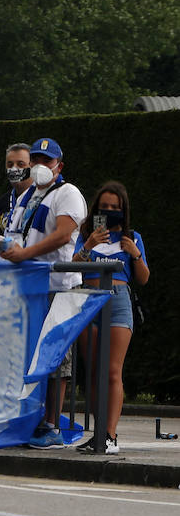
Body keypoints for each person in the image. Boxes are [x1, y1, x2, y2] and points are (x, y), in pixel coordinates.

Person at [0, 137, 87, 449]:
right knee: (28, 354)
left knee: (56, 357)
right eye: (37, 160)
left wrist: (26, 256)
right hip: (31, 287)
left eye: (47, 161)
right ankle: (31, 417)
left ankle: (53, 424)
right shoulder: (29, 196)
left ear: (59, 166)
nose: (41, 166)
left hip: (58, 286)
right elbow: (14, 238)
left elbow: (63, 235)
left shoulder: (67, 193)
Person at [72, 181, 149, 454]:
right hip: (89, 300)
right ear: (96, 209)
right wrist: (88, 245)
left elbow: (143, 278)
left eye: (115, 207)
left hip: (117, 300)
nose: (109, 211)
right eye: (104, 206)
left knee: (113, 370)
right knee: (93, 371)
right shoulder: (87, 234)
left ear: (123, 210)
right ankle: (98, 432)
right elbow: (74, 266)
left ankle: (110, 435)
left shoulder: (132, 237)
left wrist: (135, 254)